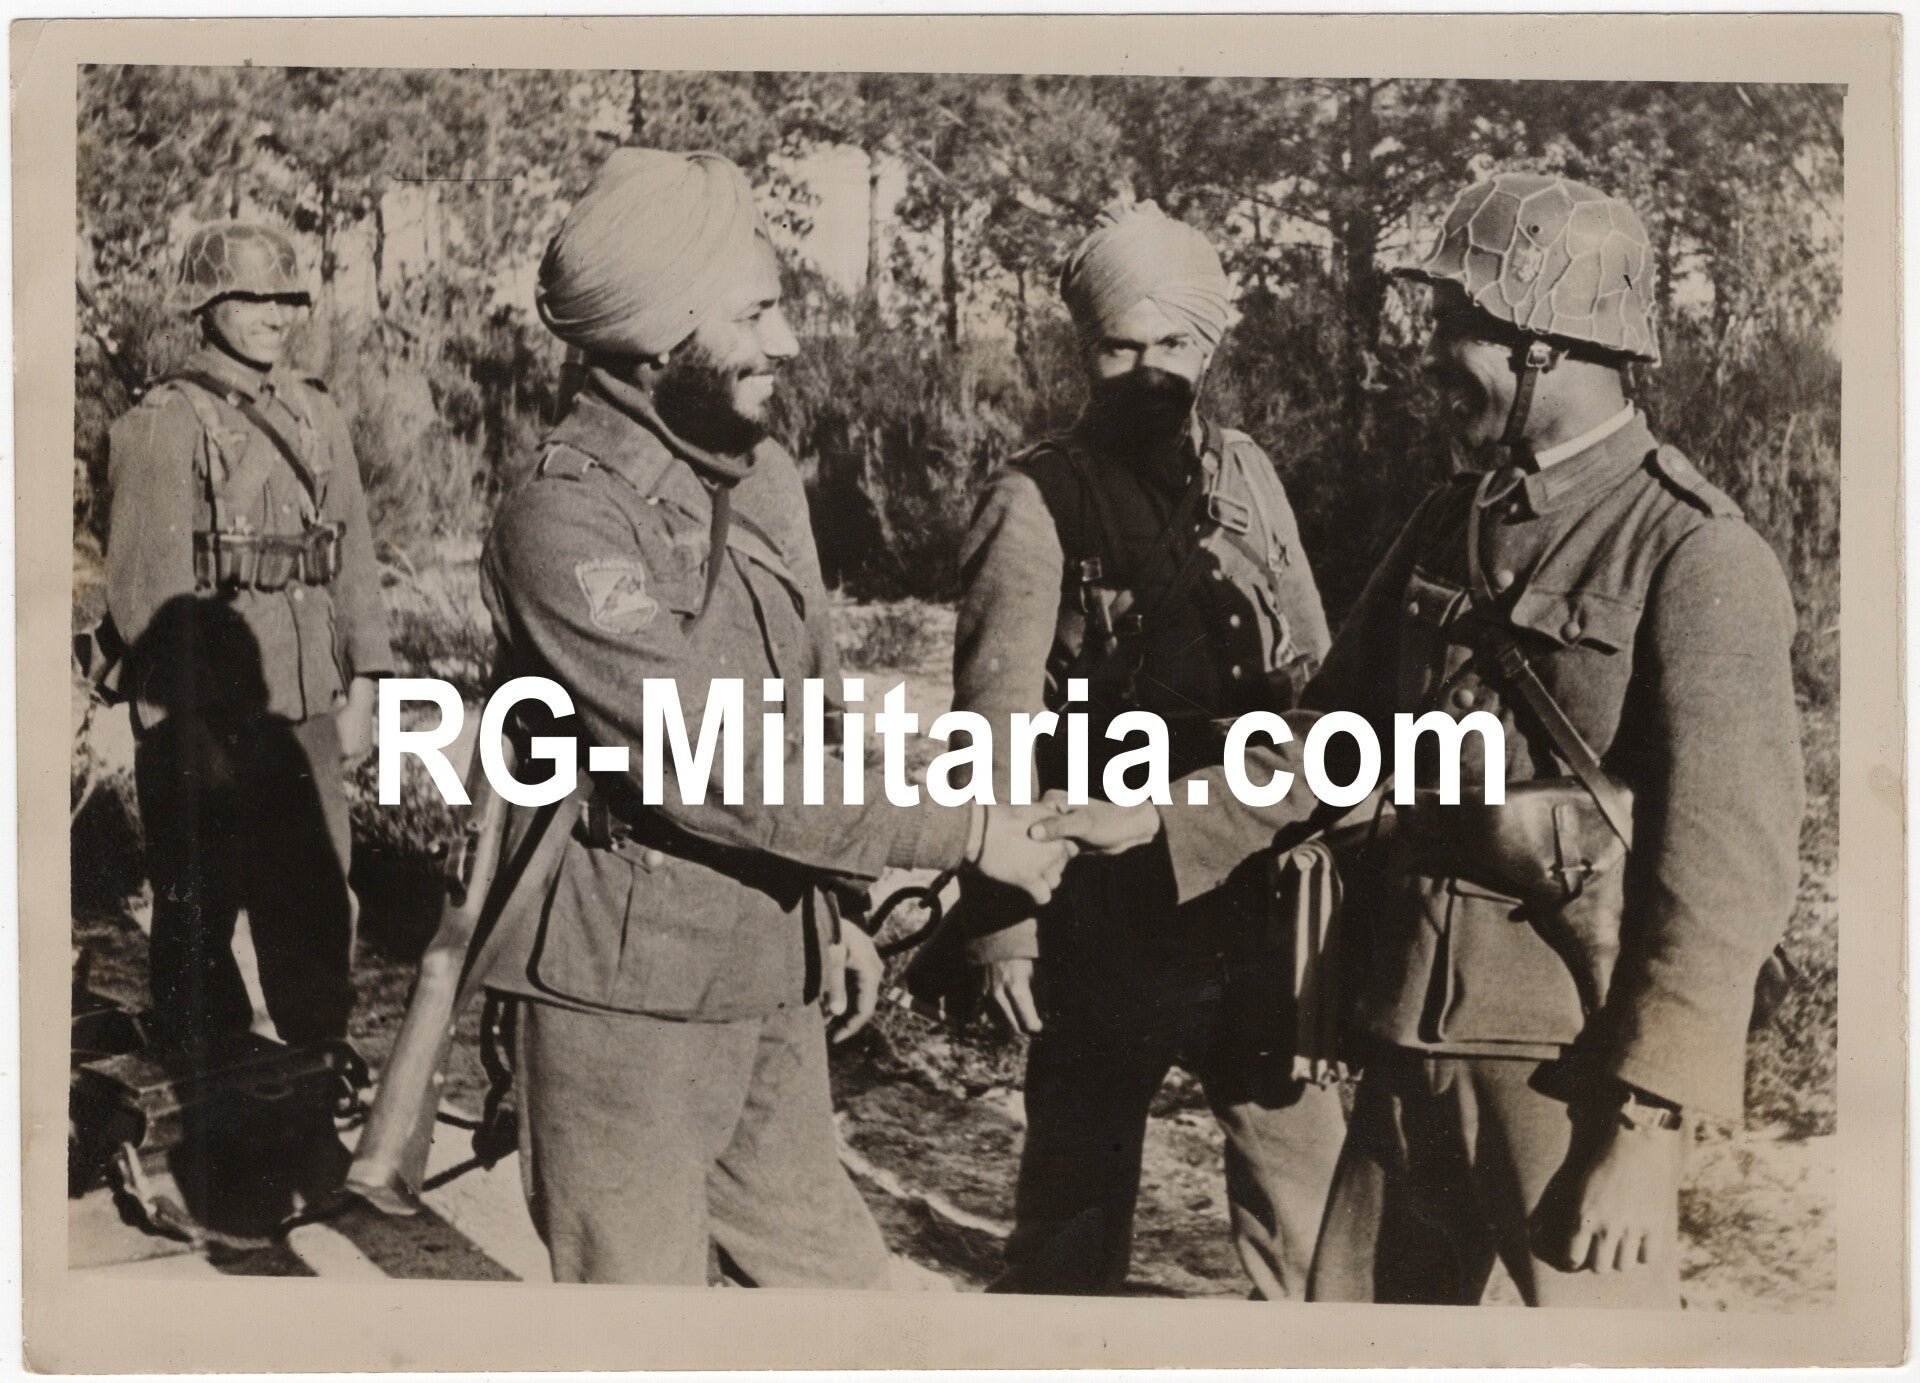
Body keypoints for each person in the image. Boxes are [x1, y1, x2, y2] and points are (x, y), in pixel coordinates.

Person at [1037, 172, 1803, 1307]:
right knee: (1350, 1338)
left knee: (1599, 1350)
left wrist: (1646, 1129)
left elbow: (1727, 871)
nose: (1430, 357)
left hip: (1566, 1067)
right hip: (1405, 1030)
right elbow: (1335, 733)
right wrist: (1159, 811)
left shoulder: (1691, 551)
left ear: (1543, 344)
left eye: (1455, 326)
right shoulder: (1455, 519)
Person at [476, 147, 1073, 1287]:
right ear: (659, 335)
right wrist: (961, 831)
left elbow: (814, 711)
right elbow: (710, 759)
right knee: (640, 1324)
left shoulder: (756, 476)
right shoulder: (564, 519)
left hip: (771, 969)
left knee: (839, 1303)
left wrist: (838, 911)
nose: (788, 342)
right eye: (754, 315)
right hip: (624, 1000)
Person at [949, 197, 1346, 1298]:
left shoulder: (1249, 476)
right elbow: (992, 728)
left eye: (1173, 342)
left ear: (1209, 346)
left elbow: (1315, 669)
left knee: (1313, 1212)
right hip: (1103, 907)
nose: (1148, 371)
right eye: (1119, 346)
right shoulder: (1036, 497)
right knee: (1071, 1222)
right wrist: (1003, 928)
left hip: (1248, 883)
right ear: (1086, 349)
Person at [106, 220, 391, 1059]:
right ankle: (203, 1088)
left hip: (302, 710)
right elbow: (149, 598)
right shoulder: (167, 421)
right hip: (209, 718)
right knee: (200, 913)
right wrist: (186, 730)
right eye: (253, 297)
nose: (275, 314)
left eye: (287, 298)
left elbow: (353, 558)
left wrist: (365, 687)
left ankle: (316, 1068)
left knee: (315, 901)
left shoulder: (314, 414)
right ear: (207, 305)